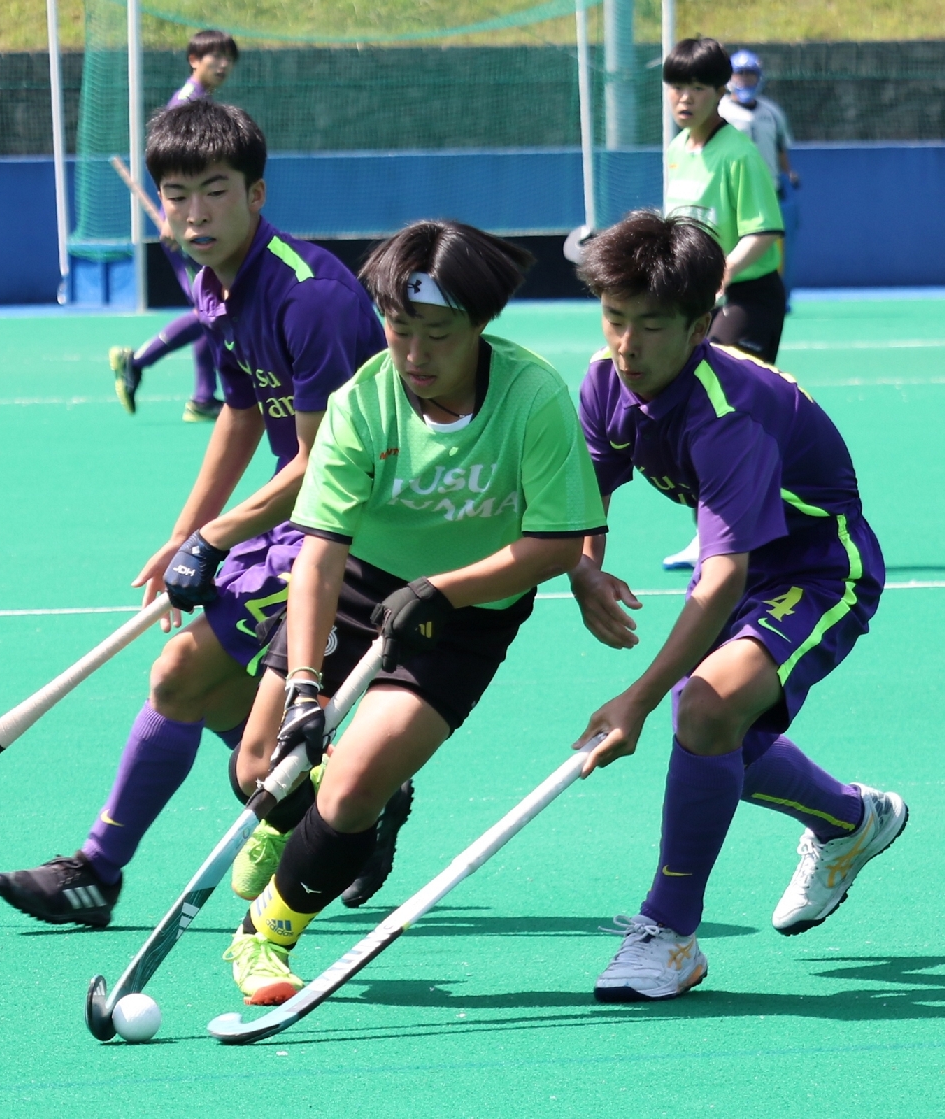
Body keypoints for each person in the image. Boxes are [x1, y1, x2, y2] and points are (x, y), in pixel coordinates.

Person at [0, 99, 396, 927]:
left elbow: (327, 466)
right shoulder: (218, 288)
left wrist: (214, 538)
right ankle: (352, 786)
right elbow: (244, 413)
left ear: (257, 192)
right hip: (294, 515)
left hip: (361, 528)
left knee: (184, 680)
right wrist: (184, 532)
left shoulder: (307, 297)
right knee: (200, 687)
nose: (195, 212)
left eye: (215, 190)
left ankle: (106, 866)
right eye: (177, 195)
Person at [219, 219, 608, 1006]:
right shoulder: (362, 400)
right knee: (259, 765)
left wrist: (443, 589)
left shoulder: (532, 398)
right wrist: (302, 686)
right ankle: (342, 796)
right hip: (359, 583)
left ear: (480, 324)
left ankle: (264, 934)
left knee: (352, 779)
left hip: (469, 607)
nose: (416, 356)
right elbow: (321, 551)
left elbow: (557, 541)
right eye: (400, 330)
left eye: (439, 333)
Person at [570, 211, 906, 1003]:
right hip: (745, 562)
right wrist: (585, 568)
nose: (627, 344)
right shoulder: (603, 379)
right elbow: (590, 489)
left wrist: (635, 701)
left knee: (704, 710)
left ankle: (672, 933)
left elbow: (719, 578)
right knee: (719, 734)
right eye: (616, 319)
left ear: (698, 327)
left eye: (651, 326)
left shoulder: (728, 415)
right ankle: (851, 820)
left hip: (822, 569)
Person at [660, 36, 787, 571]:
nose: (684, 98)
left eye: (697, 87)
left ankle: (749, 530)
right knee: (694, 411)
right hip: (698, 302)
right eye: (676, 86)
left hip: (746, 299)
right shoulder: (675, 151)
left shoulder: (740, 156)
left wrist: (720, 273)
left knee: (722, 405)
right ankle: (712, 531)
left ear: (719, 92)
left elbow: (765, 233)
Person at [110, 29, 239, 423]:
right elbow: (171, 165)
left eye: (227, 57)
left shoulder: (201, 103)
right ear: (193, 59)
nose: (222, 64)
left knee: (208, 305)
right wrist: (171, 217)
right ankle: (138, 362)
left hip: (190, 222)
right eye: (213, 56)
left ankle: (203, 397)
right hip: (186, 227)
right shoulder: (185, 105)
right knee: (210, 309)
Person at [719, 49, 801, 300]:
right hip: (733, 191)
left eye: (750, 75)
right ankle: (725, 289)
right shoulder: (720, 110)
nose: (745, 80)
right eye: (740, 74)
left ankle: (777, 293)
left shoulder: (772, 112)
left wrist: (789, 172)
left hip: (769, 189)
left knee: (773, 243)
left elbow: (779, 147)